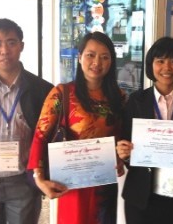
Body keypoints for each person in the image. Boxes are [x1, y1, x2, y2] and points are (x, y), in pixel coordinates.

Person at [28, 31, 125, 224]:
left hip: (104, 183)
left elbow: (120, 136)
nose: (97, 62)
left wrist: (121, 158)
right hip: (71, 181)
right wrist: (39, 178)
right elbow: (41, 135)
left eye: (105, 57)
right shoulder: (62, 93)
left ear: (111, 62)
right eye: (90, 55)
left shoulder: (119, 97)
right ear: (80, 57)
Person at [116, 36, 173, 224]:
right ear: (151, 64)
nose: (167, 68)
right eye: (160, 61)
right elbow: (125, 146)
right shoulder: (136, 100)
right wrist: (123, 153)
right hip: (140, 194)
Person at [0, 18, 54, 224]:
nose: (4, 50)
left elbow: (50, 137)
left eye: (11, 42)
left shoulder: (42, 90)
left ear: (21, 46)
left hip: (24, 181)